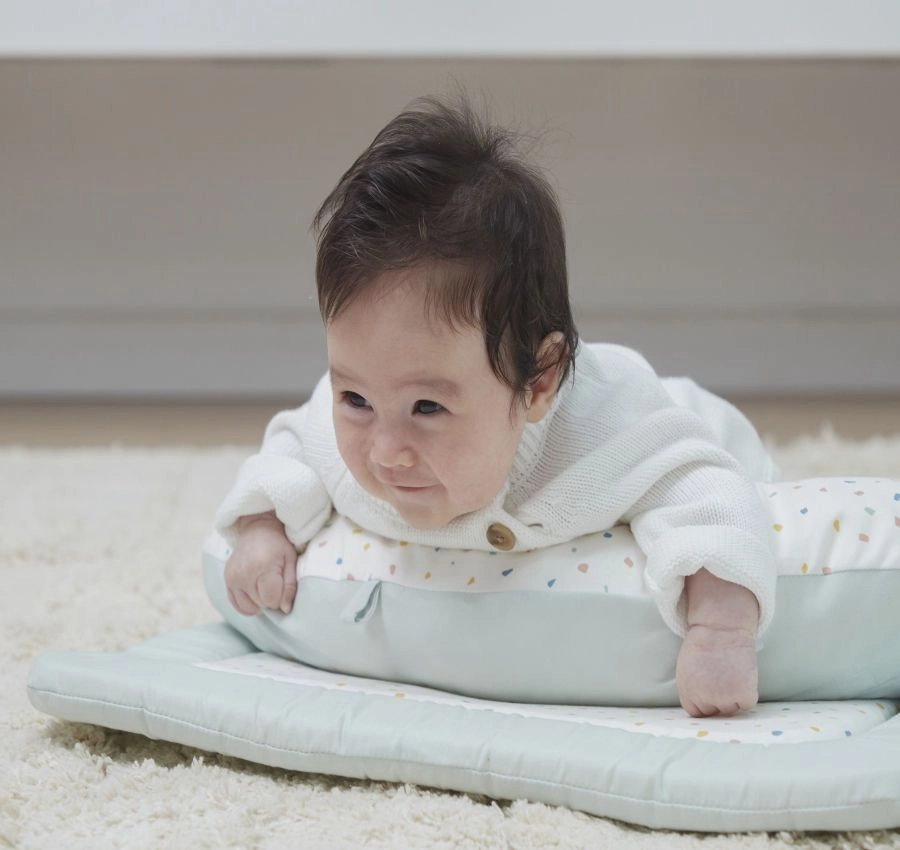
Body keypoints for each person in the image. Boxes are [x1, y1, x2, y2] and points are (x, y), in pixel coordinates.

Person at [215, 95, 779, 719]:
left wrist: (721, 632)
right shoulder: (354, 414)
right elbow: (294, 442)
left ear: (535, 385)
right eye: (356, 398)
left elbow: (708, 494)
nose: (384, 450)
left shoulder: (612, 436)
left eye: (427, 407)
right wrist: (265, 528)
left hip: (687, 415)